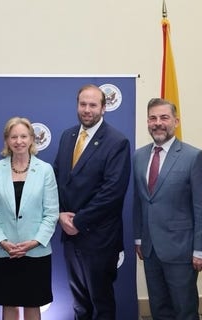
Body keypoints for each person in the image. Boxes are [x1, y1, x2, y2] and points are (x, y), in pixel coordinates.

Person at [53, 84, 131, 319]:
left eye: (93, 105)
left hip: (99, 237)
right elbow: (57, 179)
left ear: (104, 108)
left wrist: (79, 221)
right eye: (83, 104)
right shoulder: (68, 136)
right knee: (79, 301)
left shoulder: (117, 142)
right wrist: (60, 214)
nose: (87, 109)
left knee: (101, 302)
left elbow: (112, 193)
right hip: (70, 236)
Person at [133, 98, 202, 320]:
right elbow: (139, 201)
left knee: (184, 309)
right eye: (153, 118)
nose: (158, 123)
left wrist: (201, 249)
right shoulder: (139, 156)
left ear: (176, 121)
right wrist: (138, 238)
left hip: (182, 250)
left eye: (164, 117)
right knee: (159, 309)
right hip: (149, 249)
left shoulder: (194, 156)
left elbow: (201, 208)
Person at [0, 117, 59, 320]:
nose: (19, 141)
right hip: (4, 251)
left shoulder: (45, 170)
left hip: (36, 251)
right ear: (6, 140)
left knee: (33, 304)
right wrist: (3, 242)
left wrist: (33, 242)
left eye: (24, 136)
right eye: (13, 136)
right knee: (9, 304)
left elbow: (51, 213)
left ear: (32, 139)